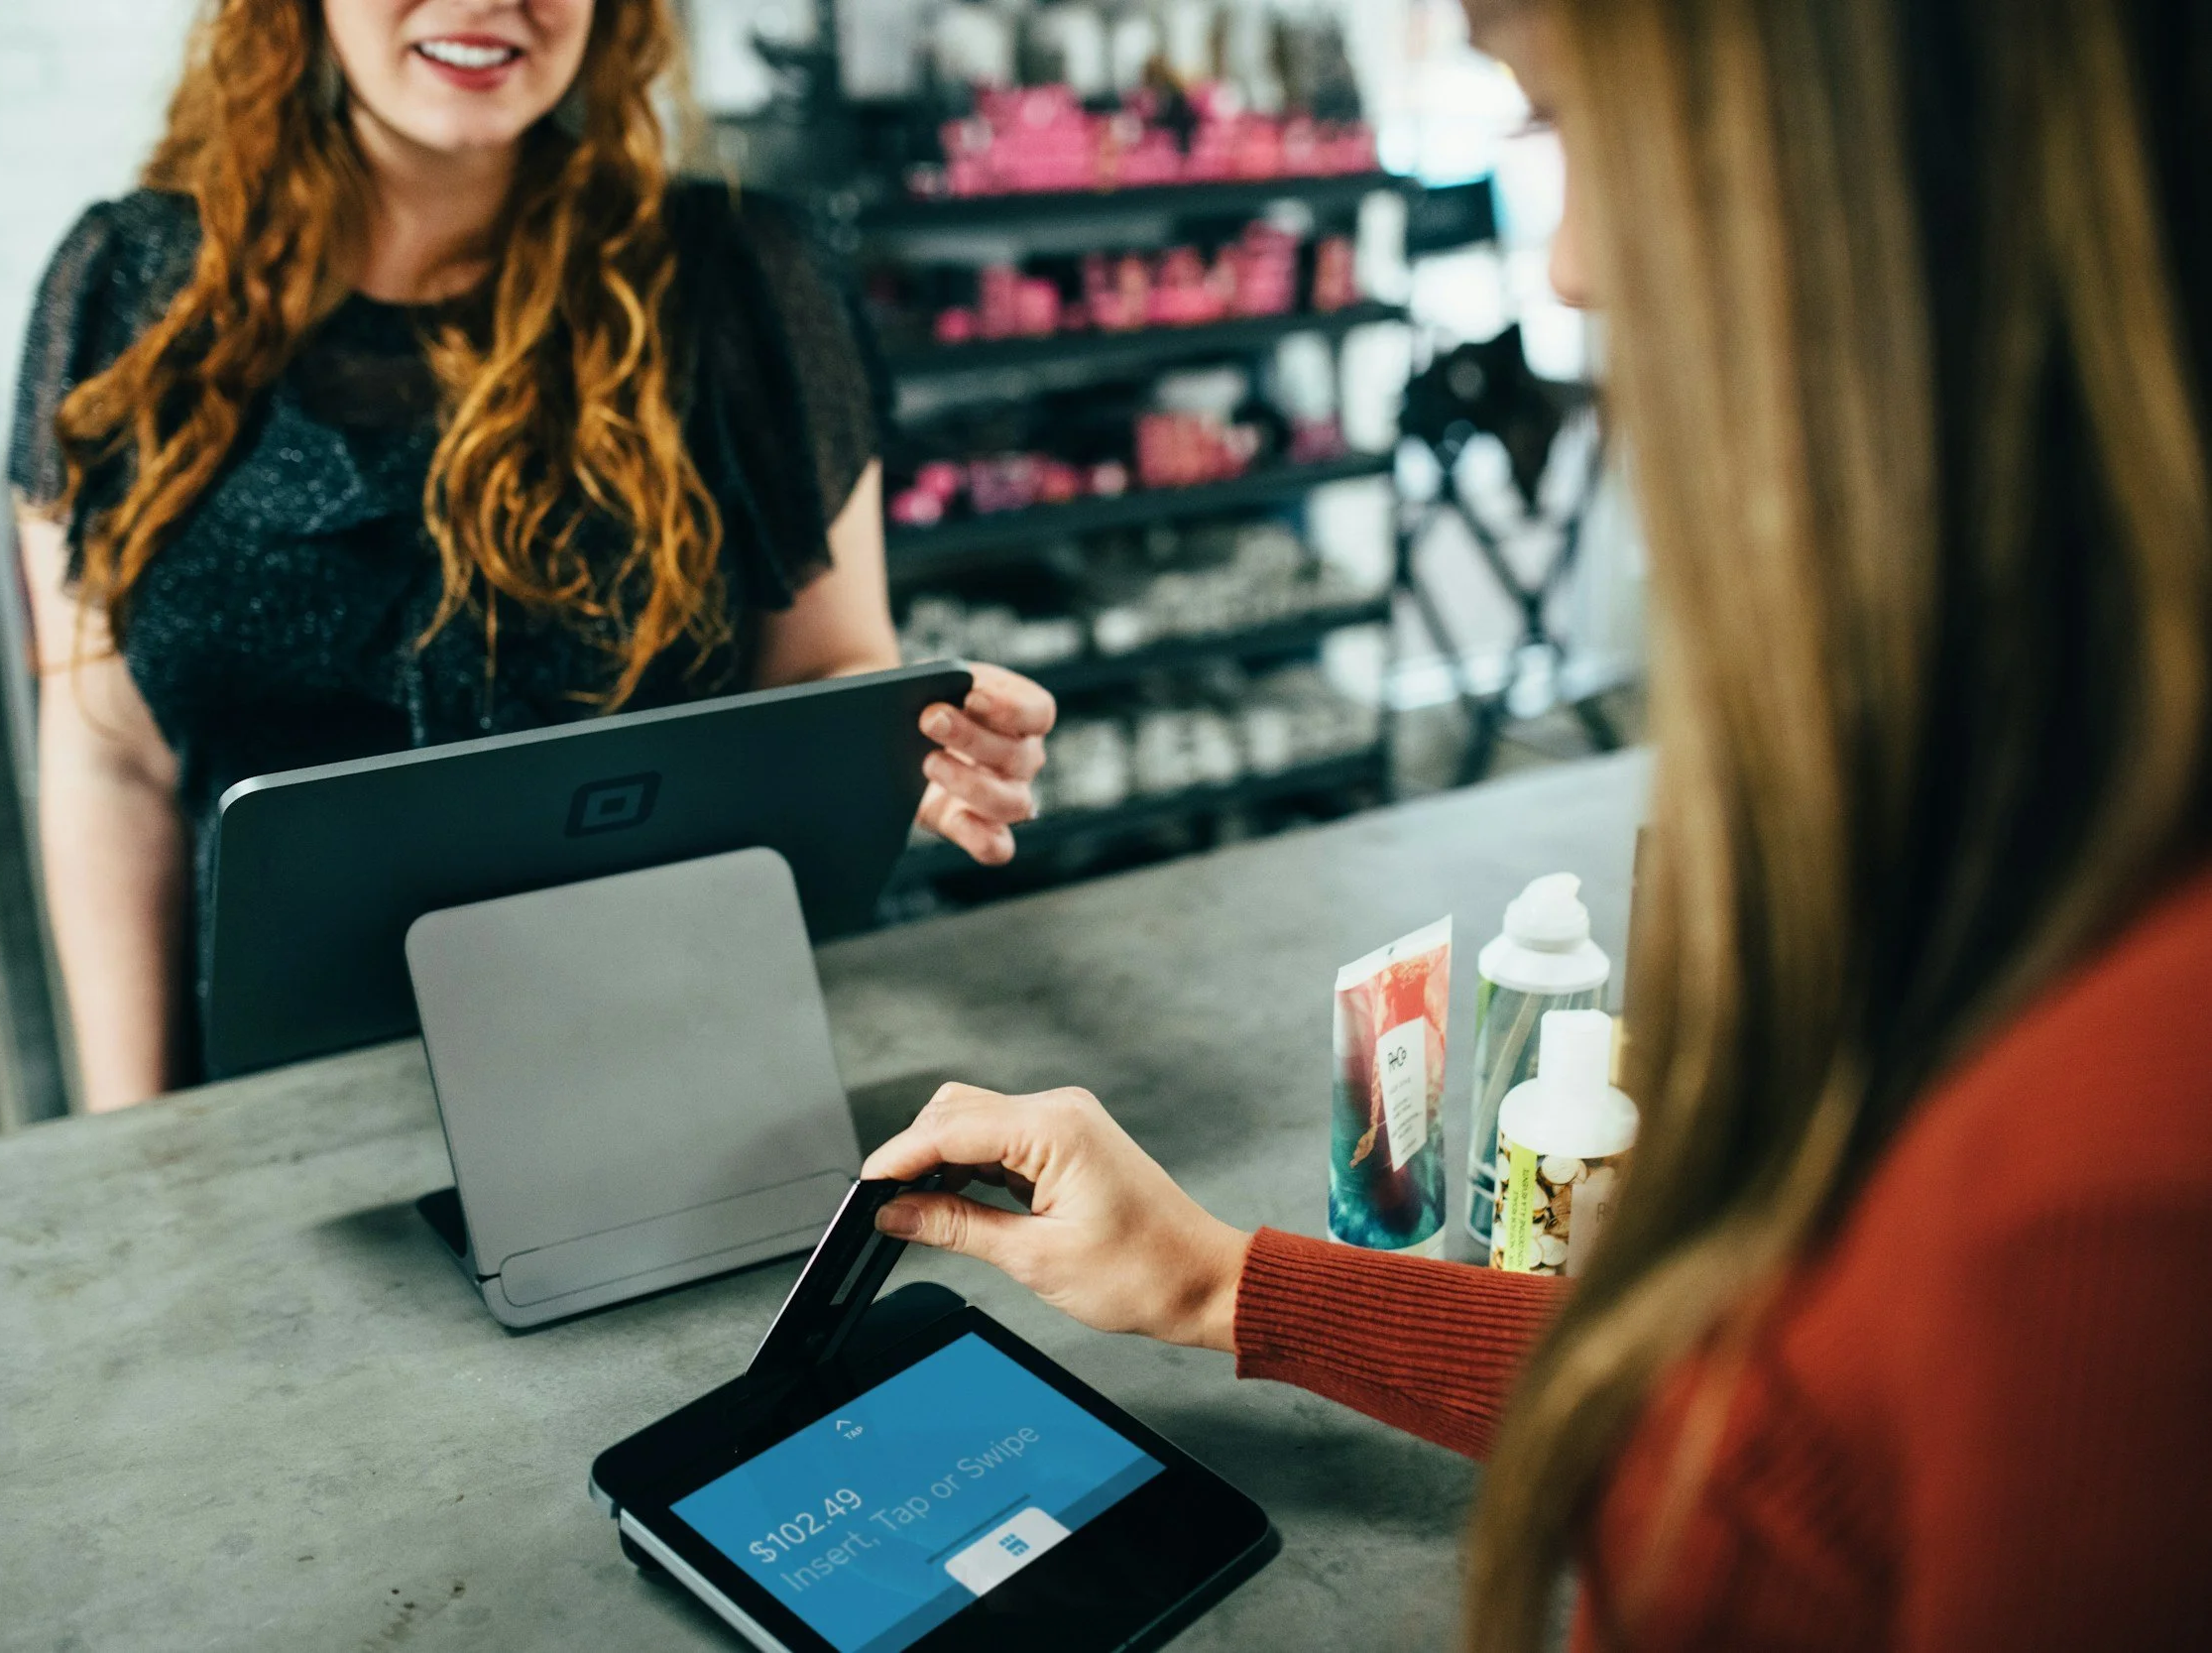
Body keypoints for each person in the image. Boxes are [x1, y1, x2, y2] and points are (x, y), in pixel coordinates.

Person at [862, 1, 2210, 1649]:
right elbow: (1791, 1417)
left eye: (1575, 124)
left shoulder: (2113, 1181)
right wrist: (1221, 1279)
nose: (1566, 266)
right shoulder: (2024, 889)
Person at [9, 0, 1055, 1113]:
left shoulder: (743, 276)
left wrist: (911, 742)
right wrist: (133, 1137)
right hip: (280, 1100)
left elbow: (826, 663)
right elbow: (108, 756)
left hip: (671, 1063)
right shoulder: (125, 288)